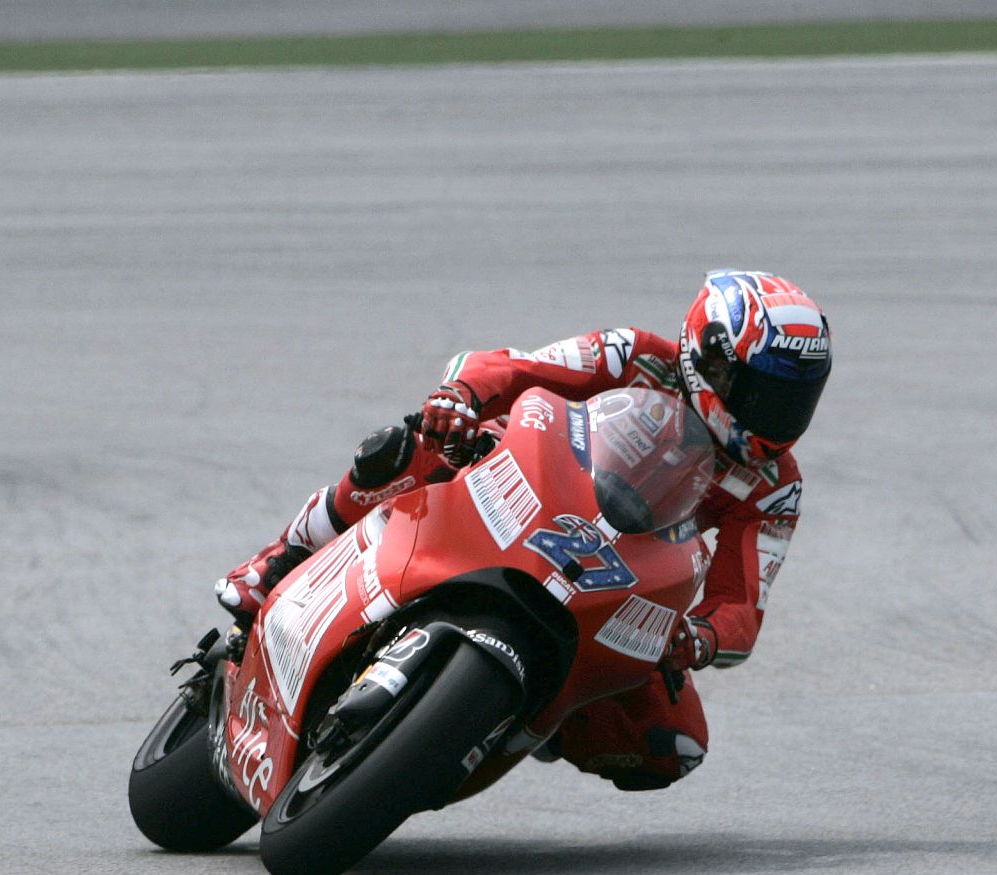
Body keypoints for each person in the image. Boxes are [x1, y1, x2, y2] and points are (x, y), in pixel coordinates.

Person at [216, 269, 832, 791]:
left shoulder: (774, 484)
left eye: (794, 399)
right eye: (764, 392)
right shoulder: (634, 356)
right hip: (514, 486)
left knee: (675, 746)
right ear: (714, 362)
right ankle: (281, 558)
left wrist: (697, 637)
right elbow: (510, 368)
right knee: (406, 448)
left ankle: (541, 711)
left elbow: (742, 603)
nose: (777, 416)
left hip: (617, 581)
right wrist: (460, 395)